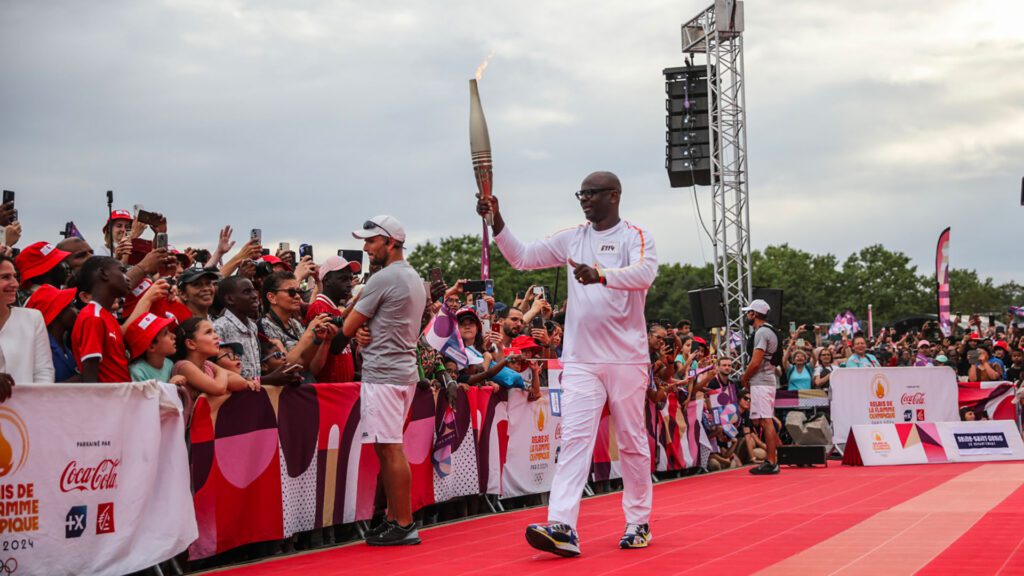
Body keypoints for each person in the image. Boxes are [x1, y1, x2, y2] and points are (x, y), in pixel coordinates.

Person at [477, 171, 658, 556]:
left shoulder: (635, 236)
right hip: (581, 359)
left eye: (591, 194)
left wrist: (602, 275)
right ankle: (562, 524)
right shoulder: (573, 238)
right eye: (581, 194)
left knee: (631, 441)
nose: (584, 200)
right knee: (575, 438)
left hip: (627, 358)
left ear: (614, 195)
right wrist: (498, 222)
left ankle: (638, 521)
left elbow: (644, 274)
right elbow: (522, 257)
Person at [342, 214, 427, 546]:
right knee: (389, 447)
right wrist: (368, 328)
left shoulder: (384, 278)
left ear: (392, 242)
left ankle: (403, 523)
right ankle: (395, 518)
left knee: (390, 449)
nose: (365, 248)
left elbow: (348, 327)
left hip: (384, 375)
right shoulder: (413, 277)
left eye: (371, 241)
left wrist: (360, 328)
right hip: (401, 372)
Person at [72, 256, 131, 383]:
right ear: (103, 273)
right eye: (122, 270)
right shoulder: (92, 317)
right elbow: (90, 378)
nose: (128, 278)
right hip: (107, 400)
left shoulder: (107, 316)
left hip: (121, 398)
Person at [0, 255, 55, 391]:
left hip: (24, 409)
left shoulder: (32, 318)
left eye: (15, 276)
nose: (15, 284)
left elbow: (43, 372)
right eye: (5, 277)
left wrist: (34, 404)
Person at [739, 299, 780, 475]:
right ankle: (772, 459)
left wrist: (744, 377)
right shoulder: (768, 330)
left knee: (766, 420)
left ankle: (771, 461)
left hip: (762, 381)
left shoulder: (762, 333)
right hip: (765, 380)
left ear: (754, 314)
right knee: (765, 419)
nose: (747, 315)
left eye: (748, 312)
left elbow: (755, 362)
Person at [172, 317, 260, 398]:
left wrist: (219, 373)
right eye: (208, 332)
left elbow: (241, 382)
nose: (216, 336)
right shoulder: (184, 366)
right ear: (191, 344)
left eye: (214, 332)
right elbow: (219, 388)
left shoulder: (207, 365)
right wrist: (222, 371)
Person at [305, 255, 361, 383]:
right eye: (343, 279)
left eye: (350, 279)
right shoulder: (319, 307)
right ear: (327, 280)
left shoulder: (334, 309)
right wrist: (359, 305)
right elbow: (335, 346)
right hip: (328, 391)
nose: (349, 284)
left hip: (340, 390)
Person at [24, 283, 79, 382]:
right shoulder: (43, 348)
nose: (77, 311)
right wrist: (83, 378)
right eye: (71, 306)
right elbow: (44, 389)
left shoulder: (64, 345)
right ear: (56, 313)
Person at [212, 276, 262, 379]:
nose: (254, 296)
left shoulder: (253, 326)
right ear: (230, 299)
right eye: (247, 292)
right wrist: (269, 379)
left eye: (254, 291)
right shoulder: (219, 327)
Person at [126, 312, 182, 383]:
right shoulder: (137, 372)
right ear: (151, 347)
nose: (173, 336)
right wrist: (170, 385)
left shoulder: (169, 364)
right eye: (165, 333)